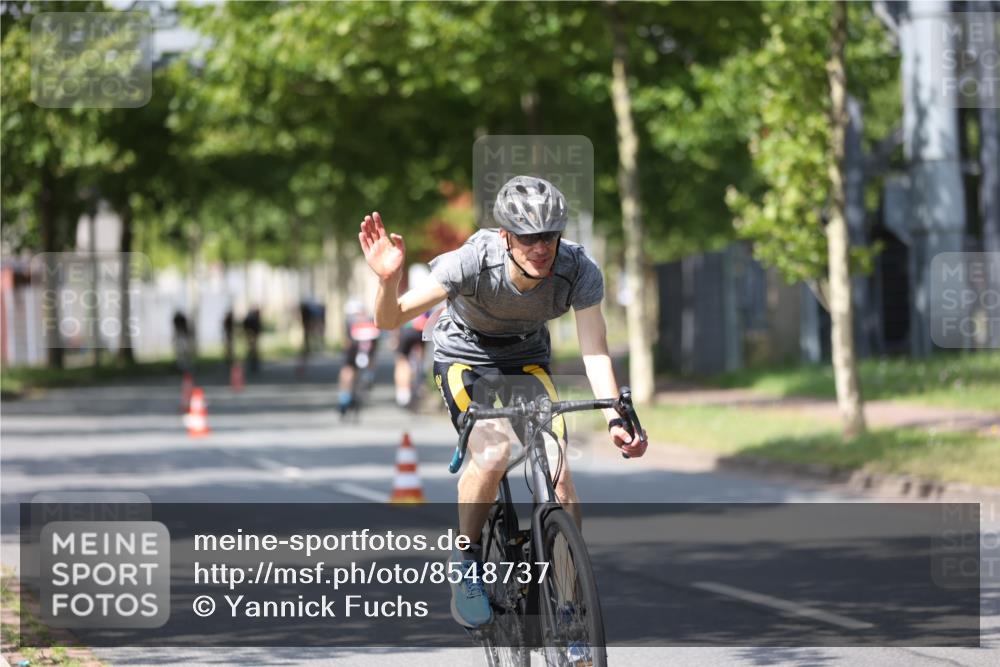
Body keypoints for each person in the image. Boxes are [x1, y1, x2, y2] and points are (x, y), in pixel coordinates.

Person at [358, 175, 647, 629]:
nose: (541, 247)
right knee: (492, 453)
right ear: (506, 236)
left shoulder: (578, 269)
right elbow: (390, 318)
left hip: (526, 362)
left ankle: (570, 605)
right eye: (528, 237)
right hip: (463, 360)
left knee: (560, 472)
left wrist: (616, 414)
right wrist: (388, 280)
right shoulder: (473, 261)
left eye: (549, 235)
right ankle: (466, 562)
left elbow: (595, 348)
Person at [338, 298, 381, 415]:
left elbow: (346, 341)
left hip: (353, 348)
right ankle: (369, 376)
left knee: (347, 369)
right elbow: (376, 342)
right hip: (368, 348)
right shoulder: (370, 320)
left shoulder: (349, 321)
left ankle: (344, 398)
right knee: (372, 355)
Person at [242, 307, 262, 373]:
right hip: (251, 335)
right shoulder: (253, 319)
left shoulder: (254, 318)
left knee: (253, 350)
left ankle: (253, 362)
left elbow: (258, 328)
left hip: (252, 335)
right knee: (252, 349)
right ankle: (251, 362)